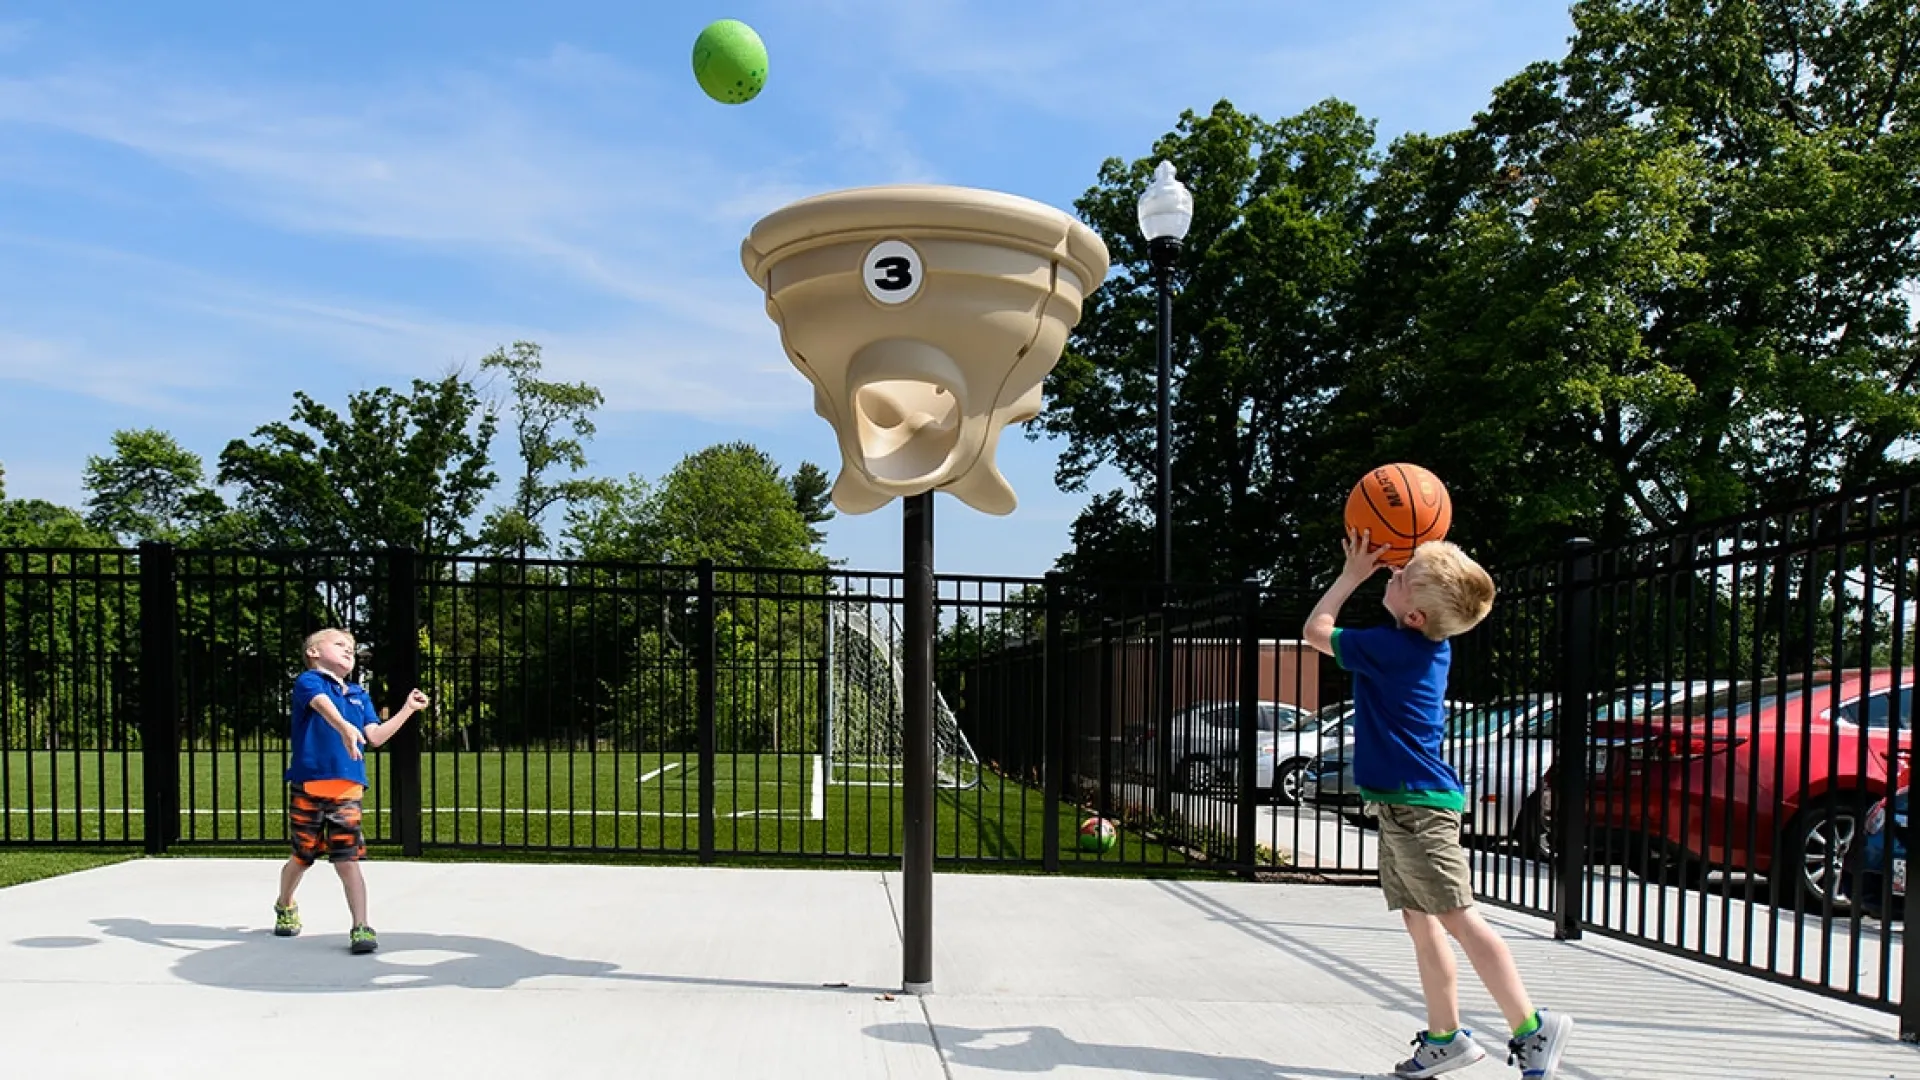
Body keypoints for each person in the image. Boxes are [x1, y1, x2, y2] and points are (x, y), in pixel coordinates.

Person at [1303, 532, 1573, 1079]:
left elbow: (1315, 631)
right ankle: (1445, 1038)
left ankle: (1532, 1026)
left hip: (1418, 810)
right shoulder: (1427, 644)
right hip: (1405, 805)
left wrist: (1352, 573)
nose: (1392, 575)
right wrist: (1416, 564)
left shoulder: (1394, 648)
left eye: (1403, 576)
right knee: (1421, 923)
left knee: (1458, 918)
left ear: (1417, 618)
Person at [272, 627, 429, 954]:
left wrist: (407, 710)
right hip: (309, 787)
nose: (349, 651)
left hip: (347, 792)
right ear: (314, 652)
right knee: (303, 856)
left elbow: (374, 737)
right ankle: (285, 903)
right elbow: (321, 705)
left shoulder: (359, 694)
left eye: (353, 649)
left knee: (347, 860)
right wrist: (344, 727)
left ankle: (361, 926)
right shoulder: (309, 681)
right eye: (340, 645)